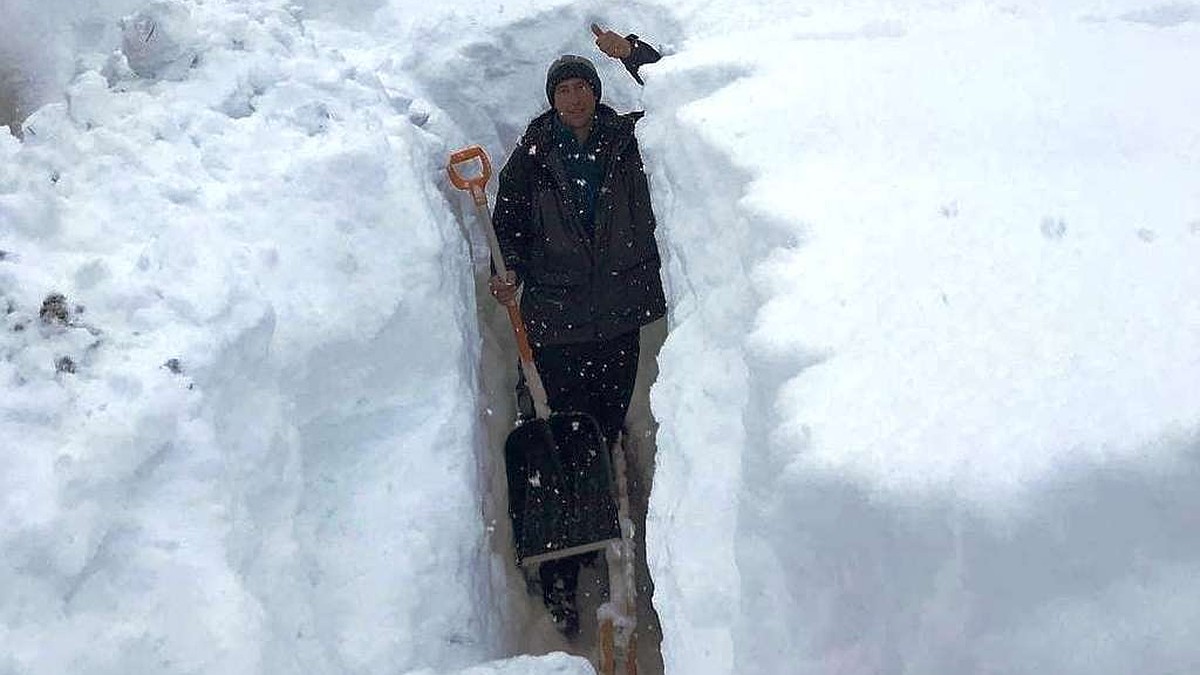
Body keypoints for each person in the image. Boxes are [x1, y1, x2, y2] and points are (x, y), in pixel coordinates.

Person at [488, 24, 665, 637]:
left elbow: (681, 98)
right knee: (560, 441)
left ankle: (608, 539)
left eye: (581, 87)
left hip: (616, 318)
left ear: (596, 91)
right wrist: (503, 272)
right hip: (557, 324)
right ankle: (564, 572)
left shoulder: (628, 139)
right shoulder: (532, 160)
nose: (573, 98)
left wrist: (634, 55)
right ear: (551, 98)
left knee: (605, 433)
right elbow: (506, 226)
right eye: (562, 90)